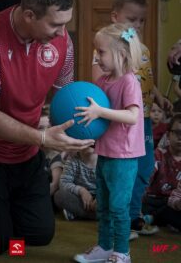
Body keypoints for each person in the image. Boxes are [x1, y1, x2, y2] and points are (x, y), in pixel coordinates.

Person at [0, 0, 94, 255]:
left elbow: (64, 100)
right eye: (55, 25)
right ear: (29, 15)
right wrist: (44, 137)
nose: (62, 33)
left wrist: (76, 134)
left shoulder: (62, 40)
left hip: (28, 157)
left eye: (65, 23)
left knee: (39, 235)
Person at [92, 0, 171, 239]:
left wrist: (159, 97)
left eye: (141, 20)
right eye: (131, 19)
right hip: (121, 121)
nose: (137, 25)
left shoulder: (141, 49)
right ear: (115, 17)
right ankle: (125, 219)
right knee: (122, 170)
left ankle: (132, 216)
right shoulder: (105, 51)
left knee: (146, 166)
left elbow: (144, 81)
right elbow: (102, 84)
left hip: (143, 118)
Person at [74, 23, 145, 263]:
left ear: (121, 54)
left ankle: (122, 252)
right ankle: (104, 246)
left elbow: (133, 116)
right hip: (105, 152)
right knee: (102, 205)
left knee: (118, 206)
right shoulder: (103, 82)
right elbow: (97, 115)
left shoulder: (129, 81)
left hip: (124, 156)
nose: (96, 57)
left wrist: (101, 111)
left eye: (101, 52)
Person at [142, 114, 181, 232]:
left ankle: (157, 219)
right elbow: (145, 181)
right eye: (177, 132)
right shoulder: (158, 155)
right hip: (152, 201)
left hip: (174, 205)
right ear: (168, 135)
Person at [54, 147, 97, 221]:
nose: (90, 144)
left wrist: (100, 198)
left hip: (100, 199)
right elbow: (63, 183)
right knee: (59, 195)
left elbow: (112, 186)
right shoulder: (73, 160)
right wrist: (81, 191)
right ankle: (97, 216)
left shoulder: (106, 161)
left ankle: (80, 215)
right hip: (81, 199)